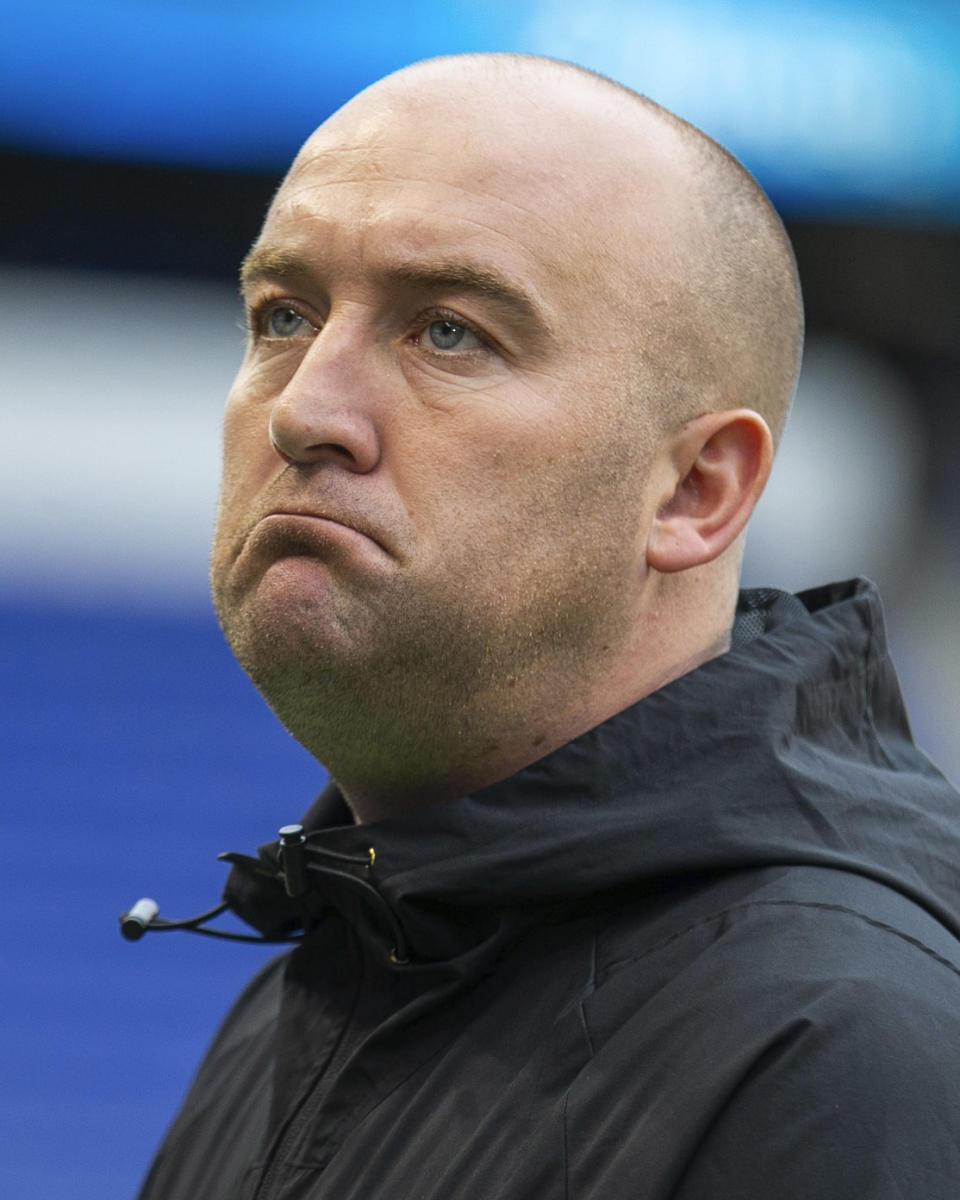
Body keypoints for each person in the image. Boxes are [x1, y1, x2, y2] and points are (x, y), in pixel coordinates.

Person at [132, 53, 960, 1198]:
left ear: (695, 492)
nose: (307, 411)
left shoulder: (847, 1055)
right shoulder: (300, 1004)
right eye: (284, 314)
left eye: (450, 334)